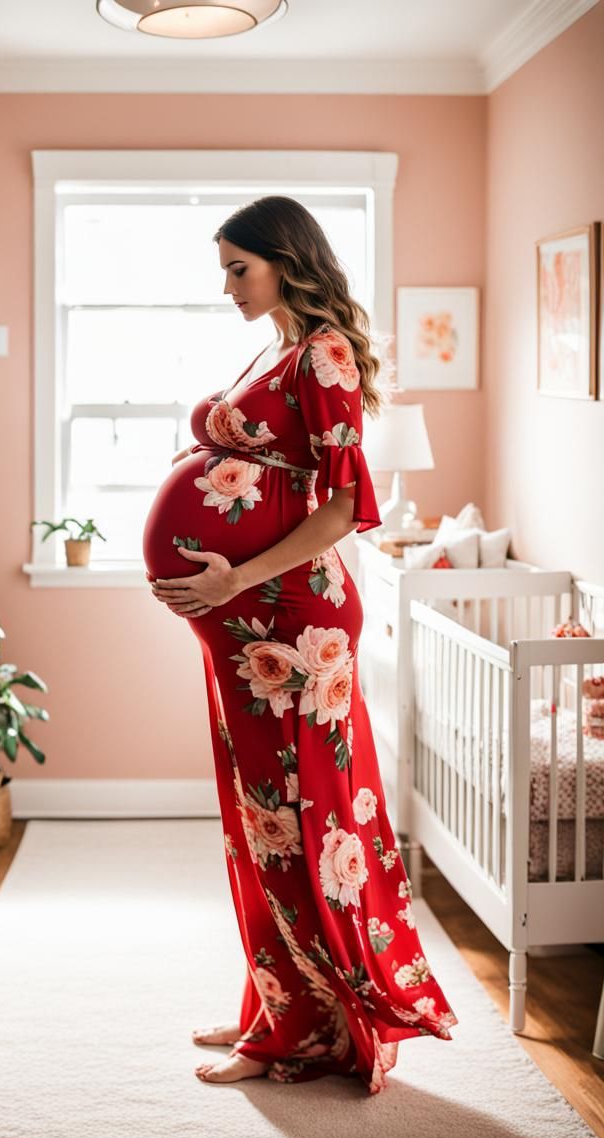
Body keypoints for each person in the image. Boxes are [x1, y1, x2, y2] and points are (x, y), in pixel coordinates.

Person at [141, 196, 457, 1093]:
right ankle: (277, 1003)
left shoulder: (323, 353)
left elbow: (342, 512)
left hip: (292, 623)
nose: (228, 286)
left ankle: (309, 1031)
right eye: (224, 269)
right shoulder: (276, 346)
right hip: (247, 624)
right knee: (260, 822)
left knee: (297, 823)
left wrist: (232, 577)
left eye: (240, 267)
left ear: (288, 259)